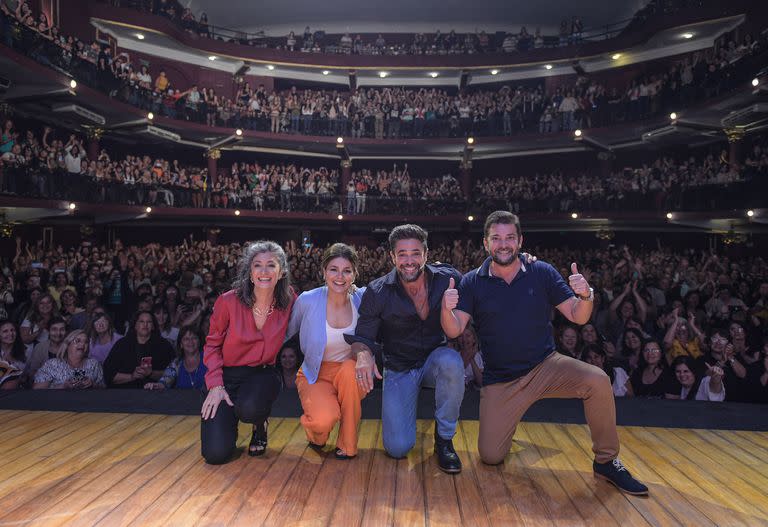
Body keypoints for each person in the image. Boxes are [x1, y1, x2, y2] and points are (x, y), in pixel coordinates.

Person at [441, 211, 648, 495]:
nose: (504, 244)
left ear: (520, 241)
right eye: (496, 238)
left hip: (546, 366)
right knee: (490, 456)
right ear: (486, 244)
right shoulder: (472, 282)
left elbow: (578, 317)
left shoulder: (541, 272)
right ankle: (508, 426)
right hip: (502, 380)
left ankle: (607, 460)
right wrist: (445, 308)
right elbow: (453, 330)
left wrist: (586, 295)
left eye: (510, 238)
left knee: (598, 380)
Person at [349, 224, 465, 473]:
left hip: (435, 359)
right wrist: (362, 354)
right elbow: (363, 336)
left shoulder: (448, 279)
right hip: (399, 366)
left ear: (425, 254)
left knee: (452, 363)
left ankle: (444, 440)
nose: (409, 261)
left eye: (415, 253)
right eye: (402, 254)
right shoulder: (378, 291)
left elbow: (481, 283)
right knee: (398, 448)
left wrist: (522, 258)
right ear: (392, 257)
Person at [200, 241, 295, 464]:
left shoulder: (289, 300)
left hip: (262, 375)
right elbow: (212, 345)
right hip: (225, 377)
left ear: (281, 272)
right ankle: (228, 421)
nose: (264, 272)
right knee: (215, 455)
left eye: (271, 265)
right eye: (257, 266)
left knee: (250, 409)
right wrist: (215, 385)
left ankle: (258, 425)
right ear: (249, 273)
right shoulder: (227, 302)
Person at [287, 243, 367, 459]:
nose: (340, 276)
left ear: (354, 274)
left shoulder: (363, 298)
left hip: (350, 373)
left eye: (347, 270)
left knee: (350, 370)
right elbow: (288, 333)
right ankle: (316, 434)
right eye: (333, 269)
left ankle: (347, 444)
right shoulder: (307, 300)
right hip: (316, 374)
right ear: (323, 272)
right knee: (323, 421)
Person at [102, 311, 174, 388]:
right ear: (135, 325)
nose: (145, 325)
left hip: (155, 394)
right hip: (125, 394)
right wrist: (132, 377)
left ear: (153, 326)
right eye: (141, 321)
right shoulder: (122, 344)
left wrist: (151, 373)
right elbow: (108, 375)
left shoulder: (164, 345)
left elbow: (173, 374)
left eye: (149, 322)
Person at [33, 329, 105, 389]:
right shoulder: (52, 364)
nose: (82, 344)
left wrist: (93, 385)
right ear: (67, 344)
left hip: (87, 404)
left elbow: (104, 389)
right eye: (77, 341)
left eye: (86, 342)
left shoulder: (93, 364)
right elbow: (37, 390)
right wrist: (63, 386)